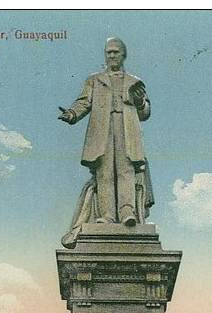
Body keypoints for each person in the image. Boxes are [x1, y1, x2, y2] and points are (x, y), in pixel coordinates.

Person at [58, 37, 153, 236]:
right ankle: (107, 215)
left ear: (123, 55)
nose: (111, 56)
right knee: (104, 172)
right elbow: (83, 102)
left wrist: (140, 102)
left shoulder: (135, 82)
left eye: (115, 52)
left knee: (126, 170)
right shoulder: (94, 80)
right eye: (108, 52)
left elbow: (144, 113)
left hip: (127, 129)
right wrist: (72, 114)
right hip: (102, 131)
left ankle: (128, 211)